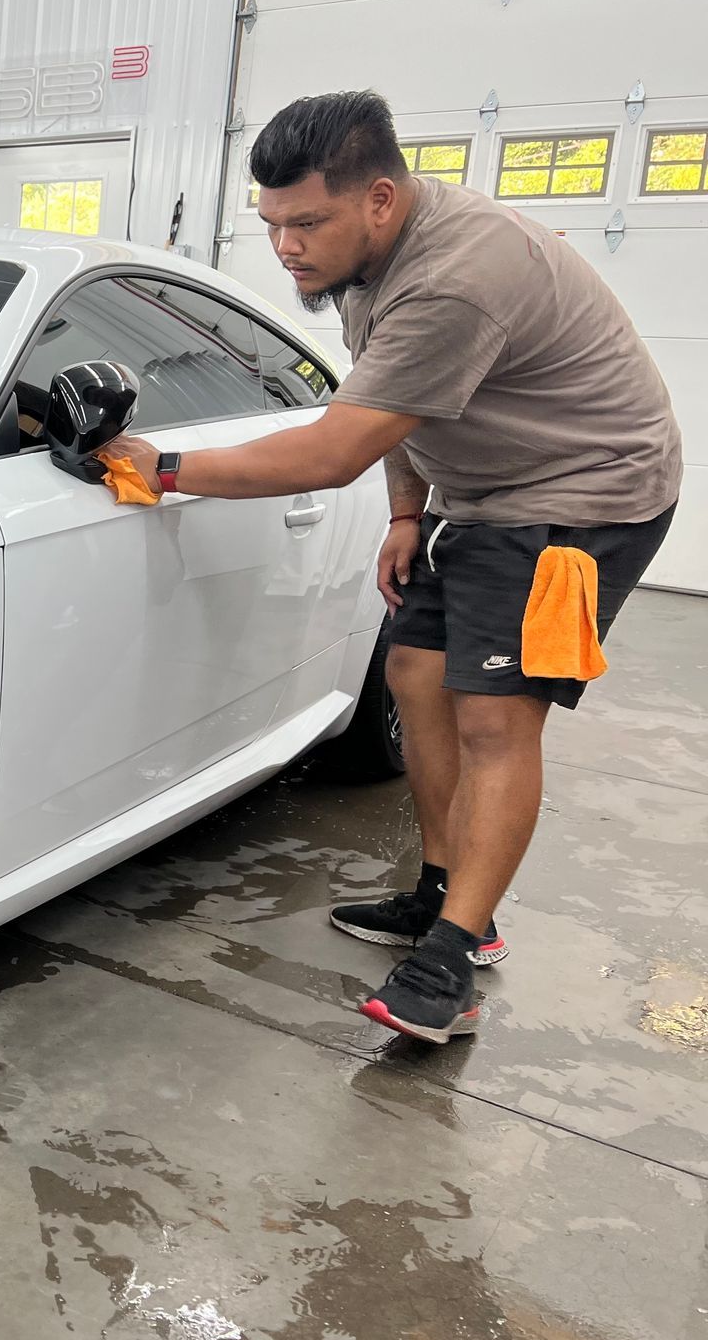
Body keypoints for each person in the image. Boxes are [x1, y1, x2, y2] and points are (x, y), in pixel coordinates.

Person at [100, 90, 681, 1044]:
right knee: (414, 672)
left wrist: (162, 469)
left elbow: (333, 450)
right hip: (488, 495)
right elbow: (400, 396)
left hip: (589, 494)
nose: (286, 246)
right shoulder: (372, 259)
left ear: (378, 197)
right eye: (272, 224)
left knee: (498, 713)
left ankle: (451, 958)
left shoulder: (454, 277)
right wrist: (410, 512)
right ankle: (450, 893)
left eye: (306, 222)